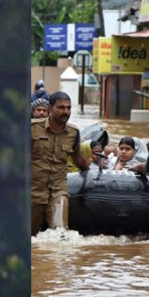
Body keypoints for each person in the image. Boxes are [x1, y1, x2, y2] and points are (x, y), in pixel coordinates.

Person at [31, 91, 88, 236]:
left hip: (58, 190)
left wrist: (91, 171)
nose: (66, 112)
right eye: (61, 108)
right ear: (50, 109)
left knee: (60, 234)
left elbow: (77, 157)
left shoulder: (73, 133)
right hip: (34, 191)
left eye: (68, 108)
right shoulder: (32, 128)